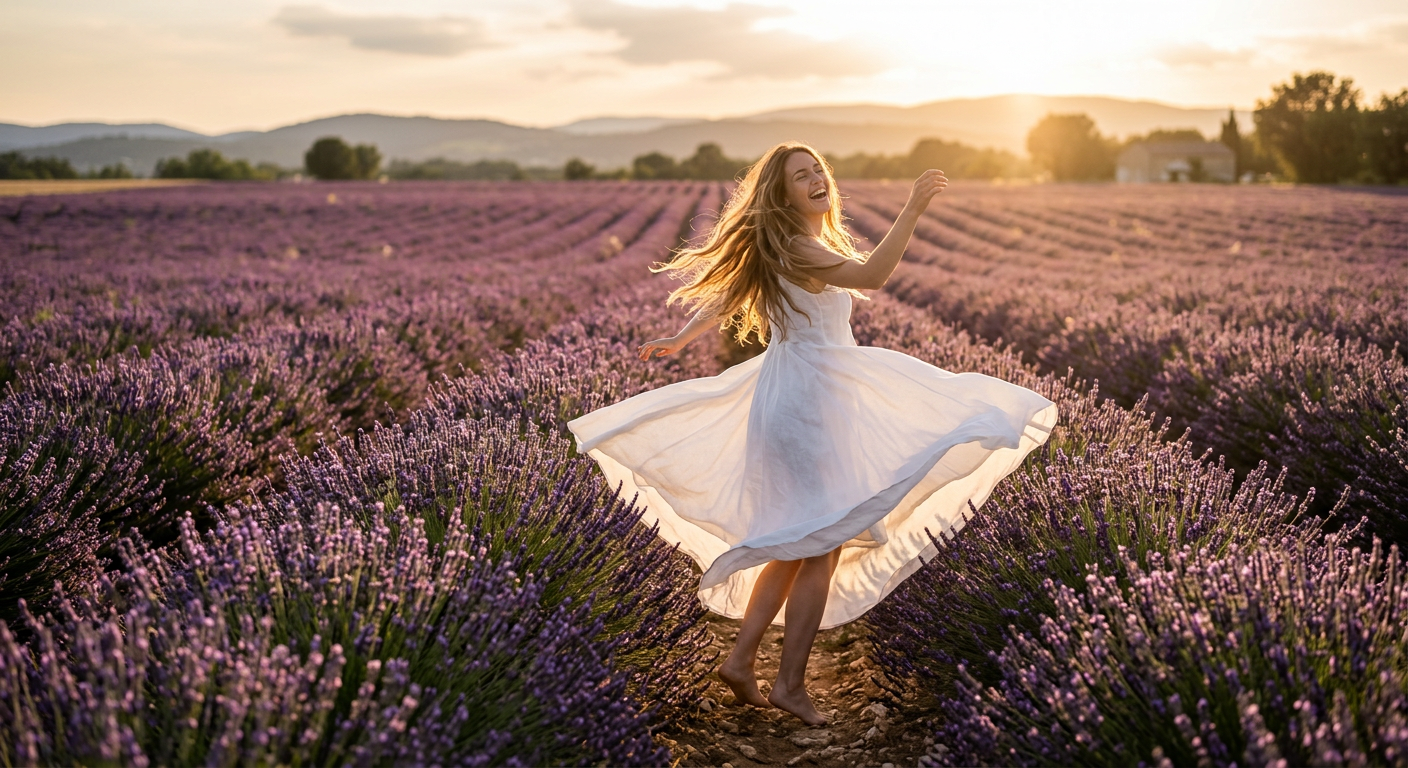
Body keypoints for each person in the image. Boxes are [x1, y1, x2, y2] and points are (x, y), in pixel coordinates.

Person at [566, 141, 1057, 726]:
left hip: (795, 393)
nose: (816, 179)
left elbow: (726, 296)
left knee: (800, 539)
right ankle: (791, 684)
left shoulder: (784, 245)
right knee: (821, 544)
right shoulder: (798, 246)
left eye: (818, 169)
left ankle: (744, 661)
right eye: (801, 176)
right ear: (783, 193)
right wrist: (912, 209)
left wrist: (682, 340)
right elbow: (873, 274)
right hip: (809, 402)